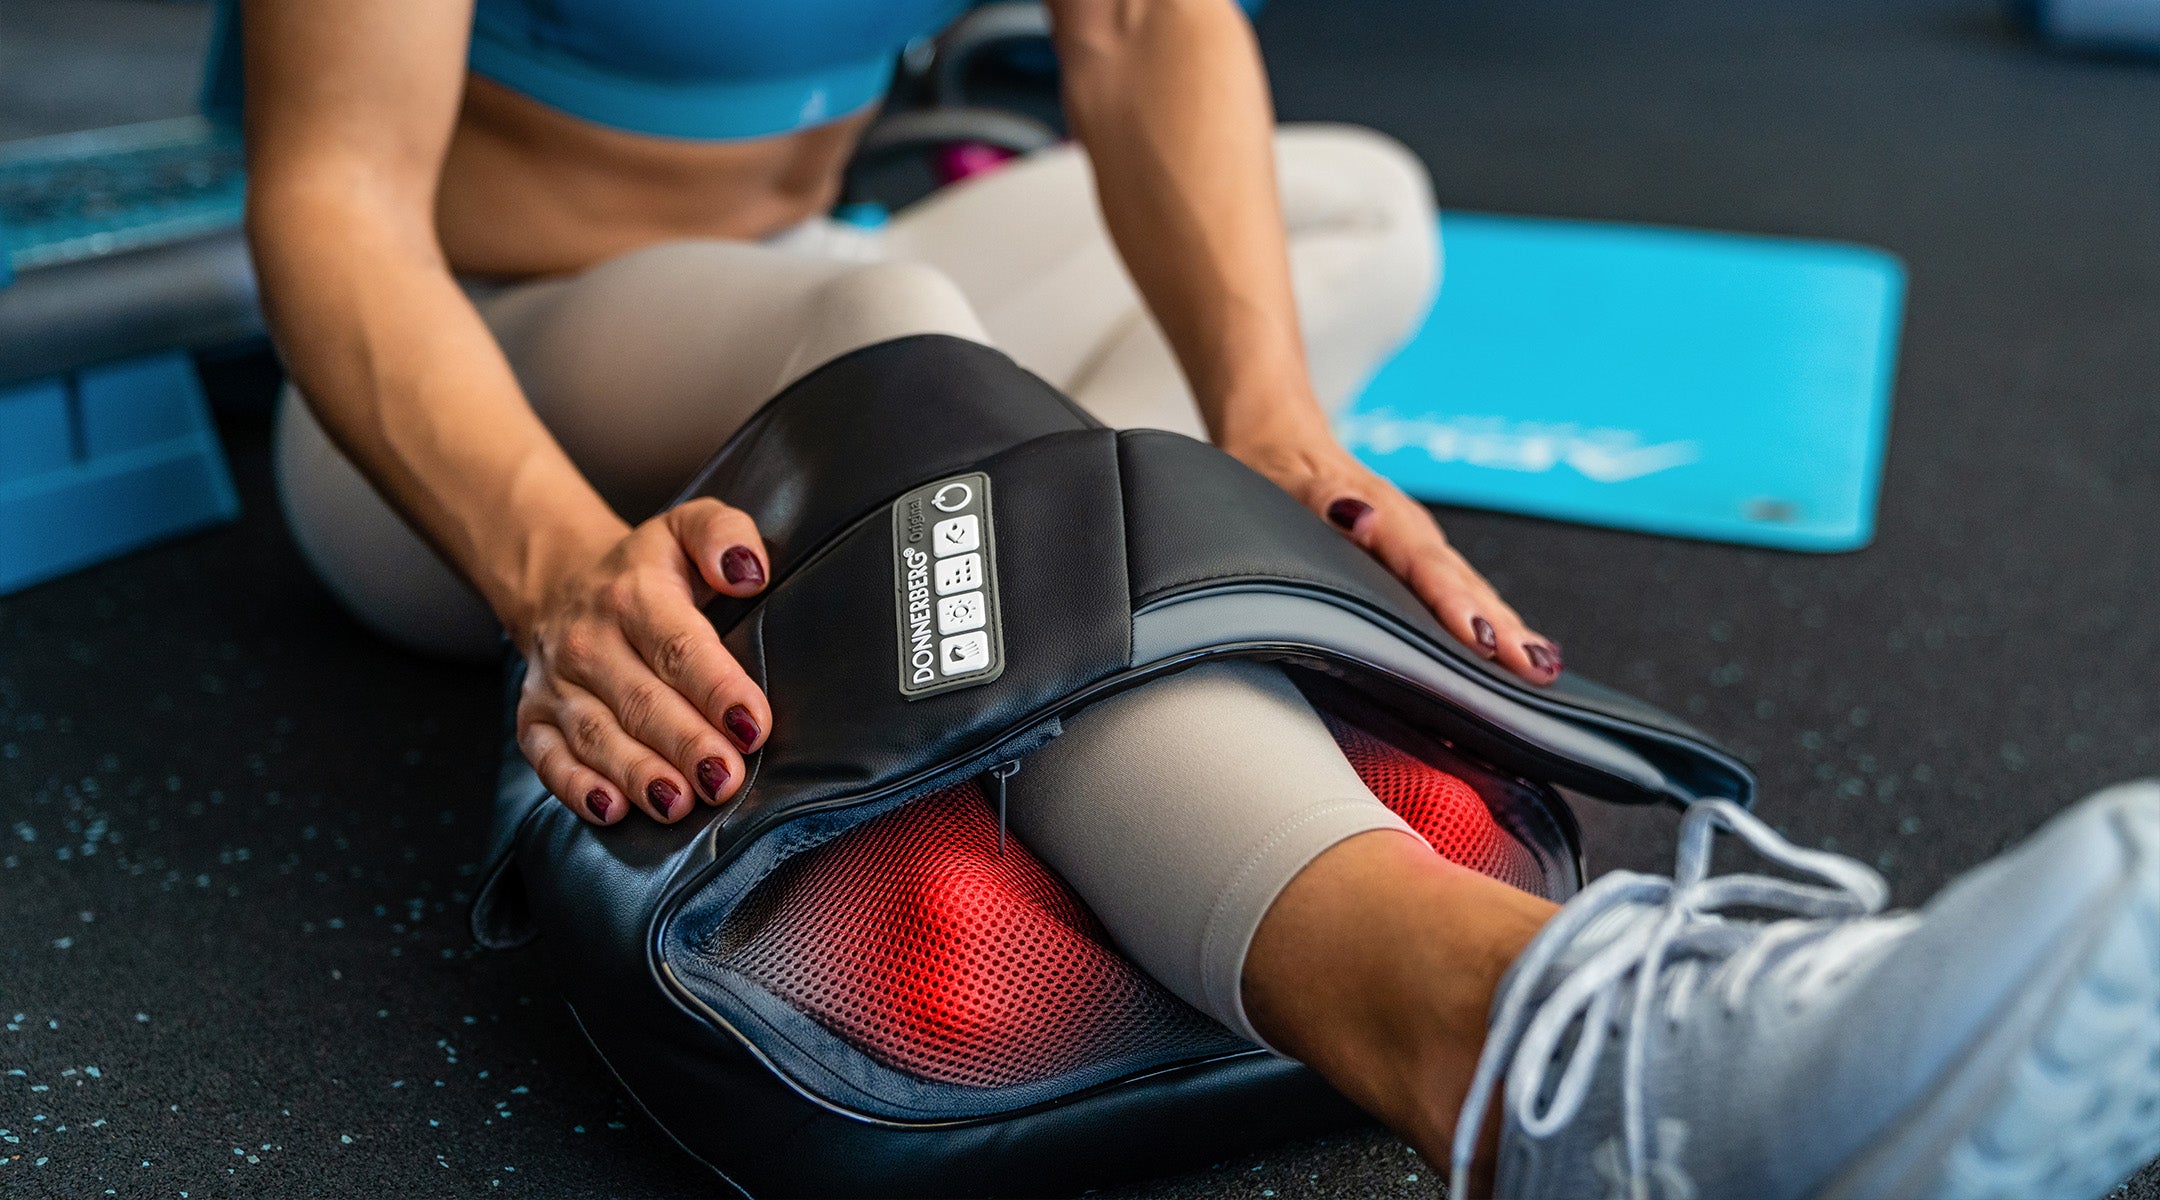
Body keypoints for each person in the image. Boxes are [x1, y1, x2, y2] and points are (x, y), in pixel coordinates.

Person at [242, 2, 2160, 1196]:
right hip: (470, 393)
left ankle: (984, 563)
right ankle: (1535, 1054)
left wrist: (1279, 443)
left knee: (1356, 214)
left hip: (800, 272)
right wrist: (561, 571)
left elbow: (1150, 23)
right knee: (891, 331)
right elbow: (332, 194)